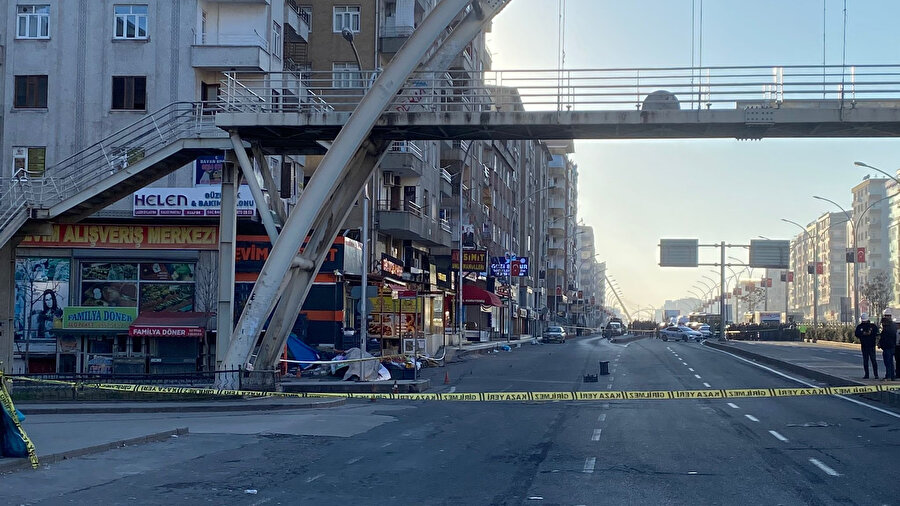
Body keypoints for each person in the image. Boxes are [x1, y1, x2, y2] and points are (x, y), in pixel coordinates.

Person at [854, 312, 879, 379]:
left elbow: (876, 333)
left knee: (869, 360)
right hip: (868, 346)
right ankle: (872, 375)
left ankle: (872, 375)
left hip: (868, 346)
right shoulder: (869, 326)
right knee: (870, 360)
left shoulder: (870, 326)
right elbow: (857, 334)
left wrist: (869, 334)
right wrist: (863, 333)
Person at [878, 311, 896, 381]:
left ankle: (888, 376)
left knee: (888, 362)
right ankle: (892, 376)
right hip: (891, 346)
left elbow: (884, 338)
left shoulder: (886, 329)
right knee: (890, 362)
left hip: (887, 347)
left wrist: (881, 344)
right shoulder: (893, 326)